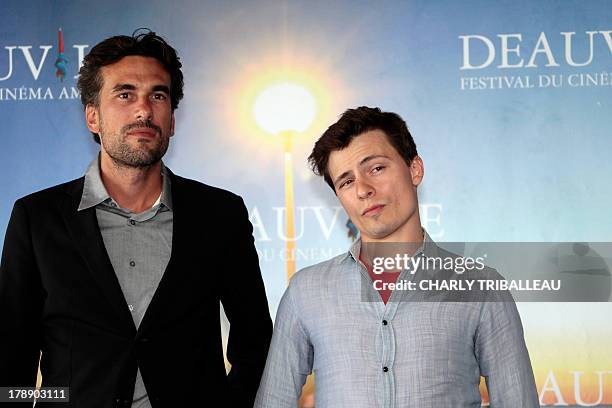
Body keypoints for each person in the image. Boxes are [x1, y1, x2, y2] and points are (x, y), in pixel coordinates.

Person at [0, 30, 272, 408]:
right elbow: (12, 357)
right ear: (92, 117)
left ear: (173, 120)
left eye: (157, 95)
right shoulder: (37, 217)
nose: (144, 110)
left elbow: (256, 341)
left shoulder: (219, 214)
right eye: (125, 94)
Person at [255, 106, 539, 407]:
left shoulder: (480, 287)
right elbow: (274, 399)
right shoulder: (306, 291)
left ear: (414, 169)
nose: (363, 189)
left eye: (376, 168)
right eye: (346, 181)